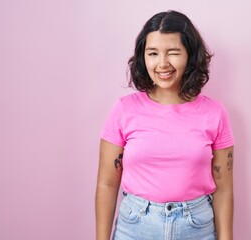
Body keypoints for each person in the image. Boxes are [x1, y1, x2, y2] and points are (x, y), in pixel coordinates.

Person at [95, 10, 234, 240]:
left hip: (196, 227)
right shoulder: (123, 110)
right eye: (153, 53)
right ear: (143, 57)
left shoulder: (215, 113)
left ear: (190, 55)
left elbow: (224, 189)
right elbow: (107, 184)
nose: (162, 63)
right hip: (135, 227)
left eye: (173, 52)